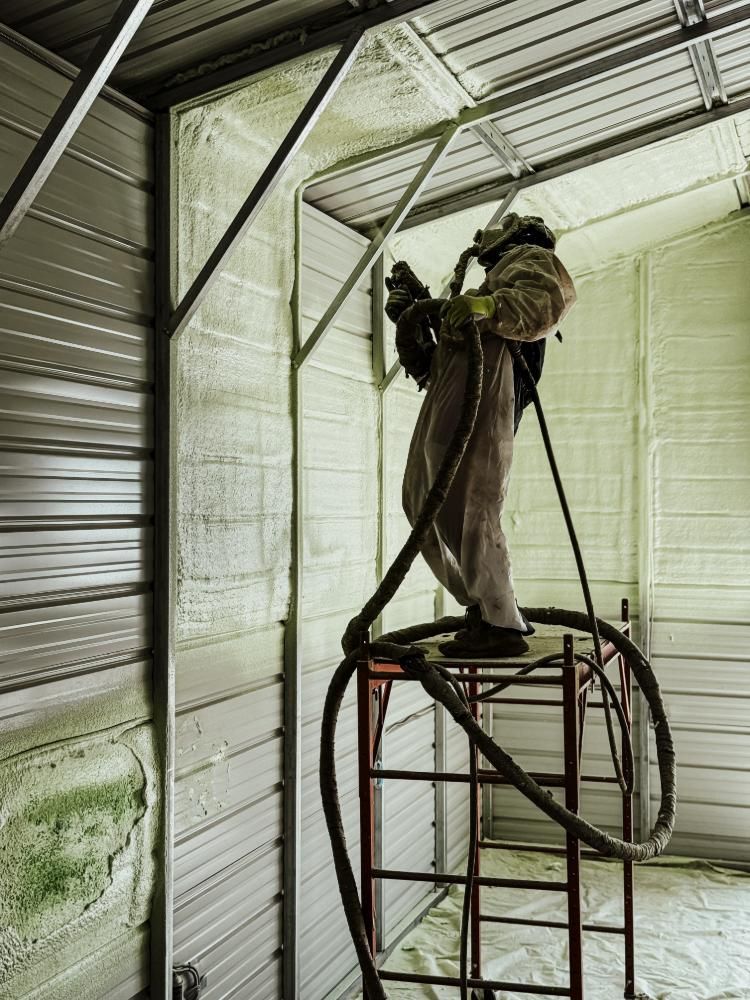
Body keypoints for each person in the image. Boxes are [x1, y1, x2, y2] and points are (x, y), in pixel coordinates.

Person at [387, 213, 576, 657]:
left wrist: (487, 306)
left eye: (501, 225)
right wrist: (412, 315)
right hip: (448, 406)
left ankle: (500, 621)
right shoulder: (491, 282)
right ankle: (481, 607)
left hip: (484, 403)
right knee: (425, 504)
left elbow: (551, 296)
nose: (484, 234)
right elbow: (440, 366)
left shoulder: (527, 258)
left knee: (471, 508)